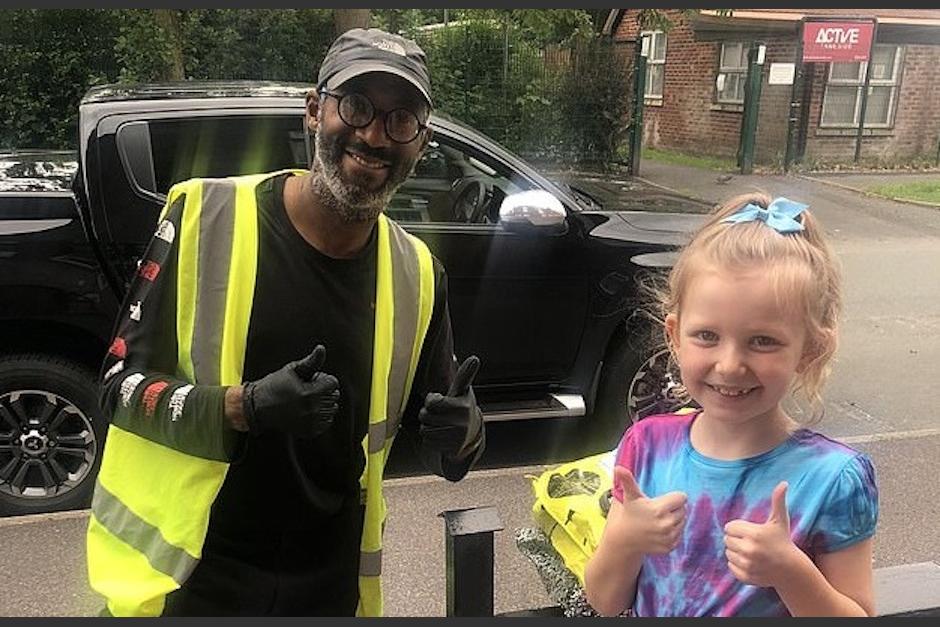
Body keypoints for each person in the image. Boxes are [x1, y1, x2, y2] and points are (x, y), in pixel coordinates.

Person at [86, 28, 485, 617]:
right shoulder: (204, 216)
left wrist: (465, 434)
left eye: (401, 120)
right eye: (356, 106)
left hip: (329, 585)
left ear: (420, 143)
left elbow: (448, 451)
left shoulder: (418, 273)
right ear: (314, 110)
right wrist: (242, 407)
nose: (374, 135)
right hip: (195, 580)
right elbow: (116, 390)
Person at [583, 193, 878, 617]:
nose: (730, 365)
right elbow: (605, 601)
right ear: (674, 336)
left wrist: (791, 572)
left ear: (810, 350)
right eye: (707, 336)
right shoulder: (646, 446)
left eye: (763, 341)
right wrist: (624, 540)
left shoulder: (832, 478)